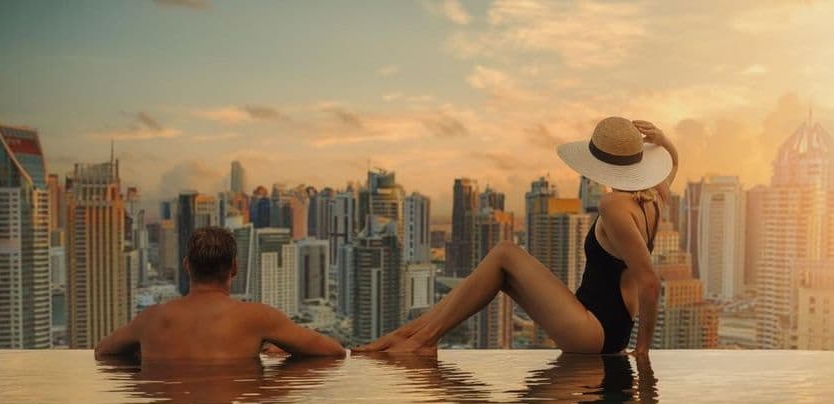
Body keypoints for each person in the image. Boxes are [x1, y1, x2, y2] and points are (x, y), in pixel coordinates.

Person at [355, 116, 677, 357]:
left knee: (505, 253)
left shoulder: (613, 205)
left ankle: (420, 340)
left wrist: (642, 351)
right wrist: (666, 142)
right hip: (606, 325)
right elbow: (673, 165)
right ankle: (414, 336)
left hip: (595, 331)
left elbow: (649, 281)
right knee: (502, 275)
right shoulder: (653, 199)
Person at [95, 227, 346, 360]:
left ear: (186, 266)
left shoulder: (149, 320)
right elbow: (334, 352)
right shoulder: (257, 318)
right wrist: (288, 349)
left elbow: (102, 352)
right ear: (234, 268)